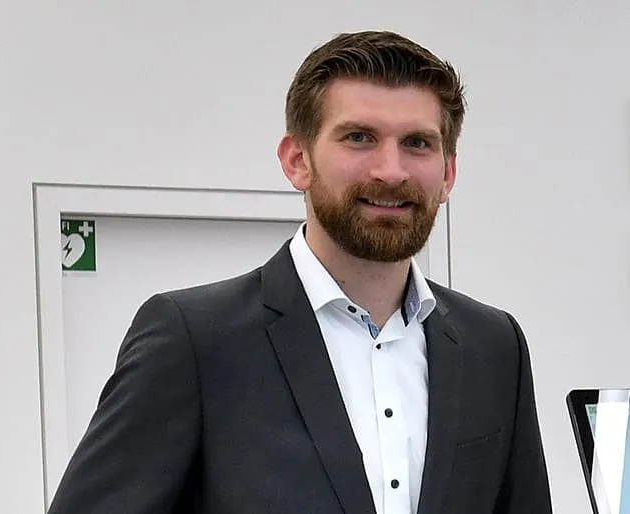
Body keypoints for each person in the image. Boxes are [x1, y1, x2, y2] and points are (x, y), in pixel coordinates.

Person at [47, 30, 553, 514]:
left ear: (448, 173)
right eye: (359, 137)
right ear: (297, 161)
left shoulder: (494, 346)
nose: (391, 170)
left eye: (417, 143)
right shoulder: (194, 341)